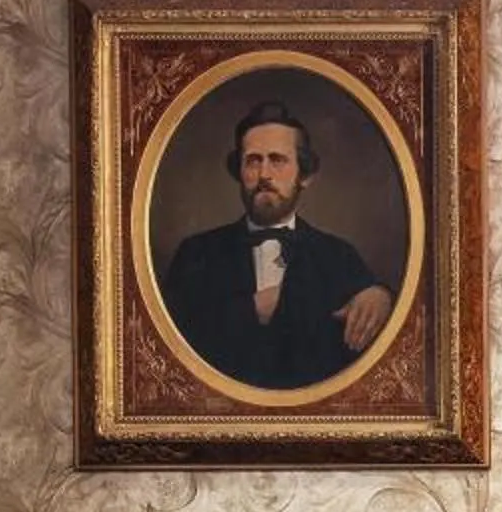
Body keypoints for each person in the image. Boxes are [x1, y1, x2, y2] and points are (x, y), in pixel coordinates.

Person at [154, 101, 396, 392]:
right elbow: (169, 349)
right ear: (239, 172)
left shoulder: (339, 255)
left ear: (304, 176)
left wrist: (382, 295)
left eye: (277, 160)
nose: (264, 174)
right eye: (253, 160)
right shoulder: (196, 253)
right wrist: (256, 306)